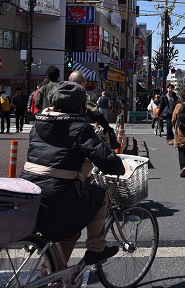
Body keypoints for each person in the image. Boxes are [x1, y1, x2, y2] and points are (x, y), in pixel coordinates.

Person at [21, 81, 125, 264]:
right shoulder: (79, 129)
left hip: (30, 193)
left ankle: (52, 272)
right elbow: (105, 158)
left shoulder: (38, 125)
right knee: (99, 196)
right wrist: (118, 167)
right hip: (58, 195)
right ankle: (96, 248)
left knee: (68, 226)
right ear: (81, 106)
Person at [68, 70, 117, 139]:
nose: (85, 84)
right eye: (84, 82)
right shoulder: (82, 95)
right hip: (75, 130)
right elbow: (95, 113)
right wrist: (108, 128)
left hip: (56, 130)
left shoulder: (61, 92)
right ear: (81, 83)